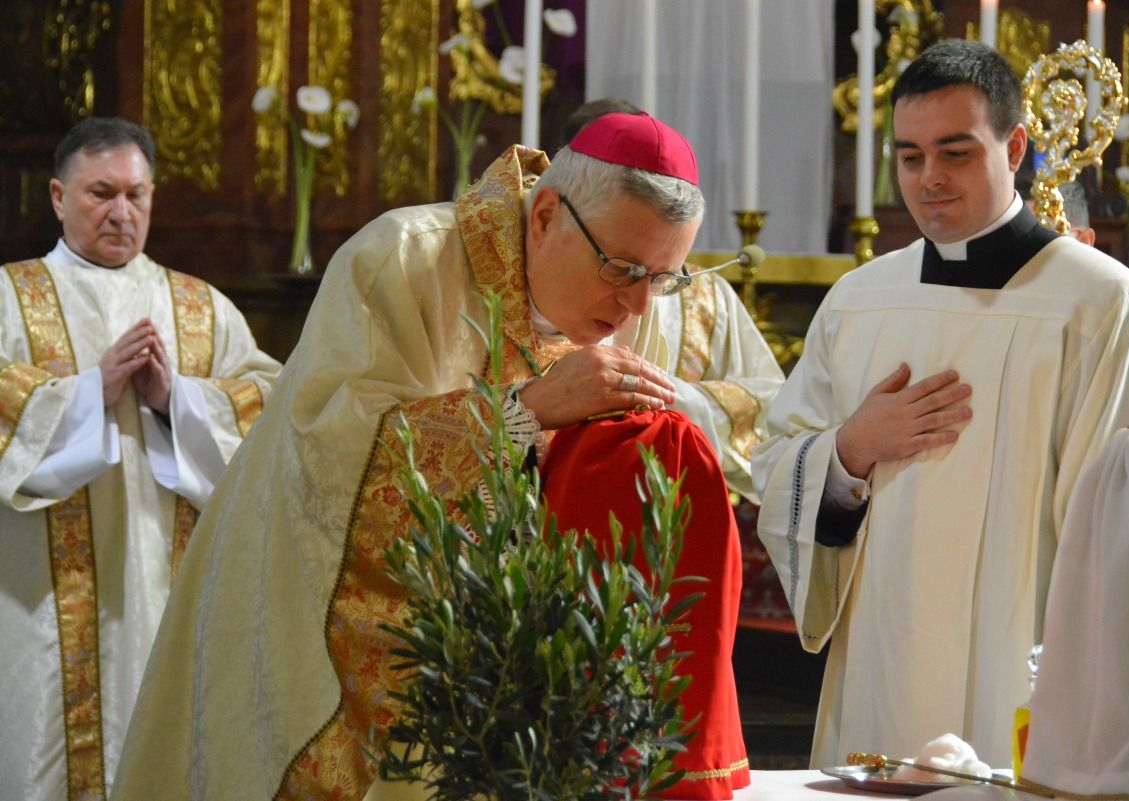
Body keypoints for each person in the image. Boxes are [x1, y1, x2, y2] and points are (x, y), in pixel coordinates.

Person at [112, 112, 749, 800]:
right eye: (622, 269)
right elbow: (327, 459)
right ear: (543, 217)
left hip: (505, 669)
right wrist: (525, 409)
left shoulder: (632, 309)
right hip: (319, 626)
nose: (638, 306)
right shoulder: (402, 257)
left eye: (664, 278)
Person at [751, 39, 1129, 769]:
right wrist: (850, 450)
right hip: (882, 666)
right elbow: (774, 466)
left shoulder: (1103, 306)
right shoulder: (859, 302)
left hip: (1027, 673)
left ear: (1014, 147)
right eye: (910, 157)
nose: (929, 179)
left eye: (955, 153)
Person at [0, 117, 282, 801]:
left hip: (167, 589)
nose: (121, 212)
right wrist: (89, 391)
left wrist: (174, 399)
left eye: (137, 194)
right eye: (101, 193)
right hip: (43, 603)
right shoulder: (11, 297)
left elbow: (272, 411)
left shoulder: (202, 308)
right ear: (59, 197)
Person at [561, 98, 785, 502]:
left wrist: (672, 399)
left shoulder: (703, 294)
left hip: (669, 507)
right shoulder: (535, 274)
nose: (639, 302)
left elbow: (773, 408)